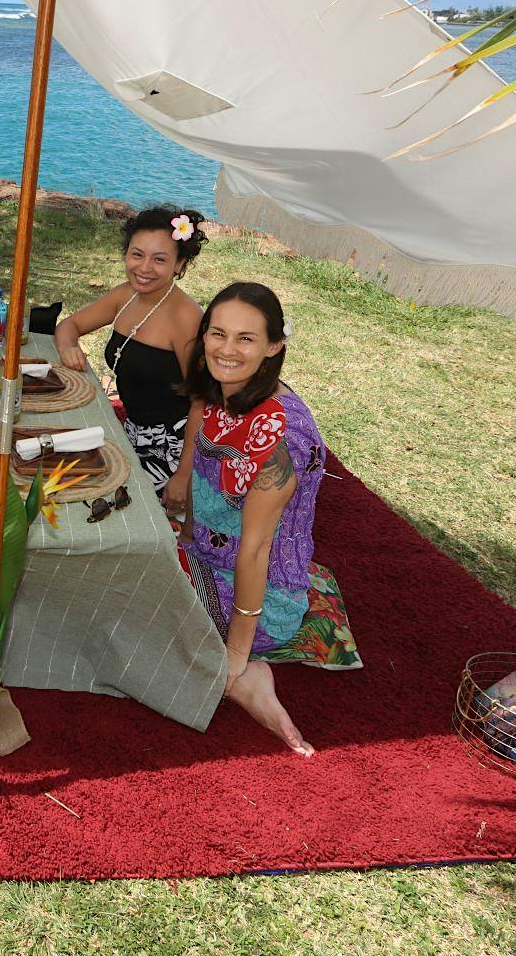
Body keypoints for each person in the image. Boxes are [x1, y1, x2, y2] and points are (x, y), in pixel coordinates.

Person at [165, 281, 356, 756]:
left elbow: (255, 549)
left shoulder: (280, 440)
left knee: (139, 609)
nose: (226, 349)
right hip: (204, 553)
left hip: (261, 595)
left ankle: (248, 679)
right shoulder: (224, 384)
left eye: (246, 338)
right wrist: (185, 529)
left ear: (274, 346)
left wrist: (235, 653)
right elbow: (200, 439)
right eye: (218, 333)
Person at [54, 207, 206, 495]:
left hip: (172, 447)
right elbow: (69, 325)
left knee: (96, 494)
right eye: (137, 254)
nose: (144, 268)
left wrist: (184, 476)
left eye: (159, 259)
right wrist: (68, 348)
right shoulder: (126, 295)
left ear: (179, 264)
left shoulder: (185, 317)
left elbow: (203, 402)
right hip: (132, 431)